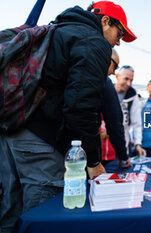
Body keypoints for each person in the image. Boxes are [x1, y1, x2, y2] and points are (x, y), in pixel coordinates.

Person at [0, 1, 136, 231]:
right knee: (42, 220)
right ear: (104, 21)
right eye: (119, 32)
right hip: (41, 145)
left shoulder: (58, 29)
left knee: (9, 214)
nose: (118, 41)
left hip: (12, 131)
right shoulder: (94, 42)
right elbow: (80, 107)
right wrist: (93, 161)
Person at [100, 49, 132, 168]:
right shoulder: (104, 82)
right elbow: (114, 123)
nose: (113, 72)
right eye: (115, 66)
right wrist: (123, 156)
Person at [114, 65, 146, 157]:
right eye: (126, 79)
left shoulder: (133, 95)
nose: (129, 83)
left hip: (124, 145)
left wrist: (137, 144)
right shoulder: (106, 90)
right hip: (106, 147)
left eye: (131, 80)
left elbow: (137, 123)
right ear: (117, 76)